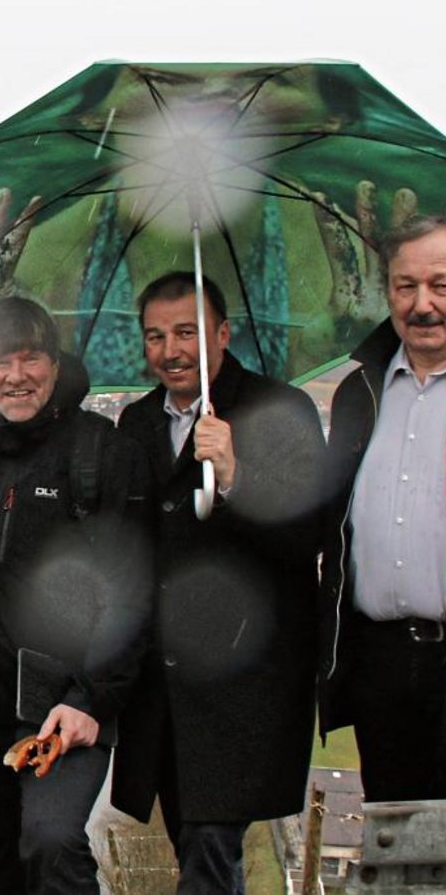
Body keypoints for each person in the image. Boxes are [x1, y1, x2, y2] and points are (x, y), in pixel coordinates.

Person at [110, 272, 323, 894]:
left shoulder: (280, 410)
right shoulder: (137, 423)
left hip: (240, 684)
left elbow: (304, 537)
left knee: (209, 848)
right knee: (194, 844)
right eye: (155, 335)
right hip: (165, 686)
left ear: (223, 334)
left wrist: (233, 474)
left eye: (186, 332)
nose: (171, 351)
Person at [0, 297, 151, 894]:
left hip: (67, 704)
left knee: (51, 843)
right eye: (2, 360)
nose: (17, 376)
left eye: (32, 359)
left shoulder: (102, 454)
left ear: (55, 366)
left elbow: (133, 595)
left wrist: (91, 698)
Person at [320, 215, 446, 801]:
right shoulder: (358, 395)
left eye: (441, 285)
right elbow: (325, 521)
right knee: (396, 848)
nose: (422, 305)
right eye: (405, 286)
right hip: (381, 667)